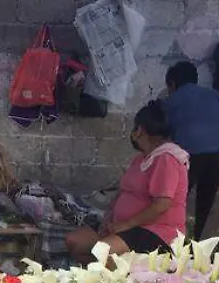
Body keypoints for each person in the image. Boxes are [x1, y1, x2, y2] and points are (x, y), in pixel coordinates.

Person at [65, 101, 189, 263]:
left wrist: (127, 224)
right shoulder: (142, 158)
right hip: (122, 225)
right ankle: (97, 278)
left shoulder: (167, 158)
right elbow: (123, 191)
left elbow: (162, 204)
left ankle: (113, 282)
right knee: (74, 241)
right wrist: (108, 219)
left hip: (157, 230)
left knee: (102, 252)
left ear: (140, 131)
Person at [163, 61, 219, 237]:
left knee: (173, 200)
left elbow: (165, 134)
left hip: (190, 153)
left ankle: (170, 241)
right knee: (208, 201)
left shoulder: (170, 101)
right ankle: (203, 246)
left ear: (172, 84)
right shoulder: (217, 96)